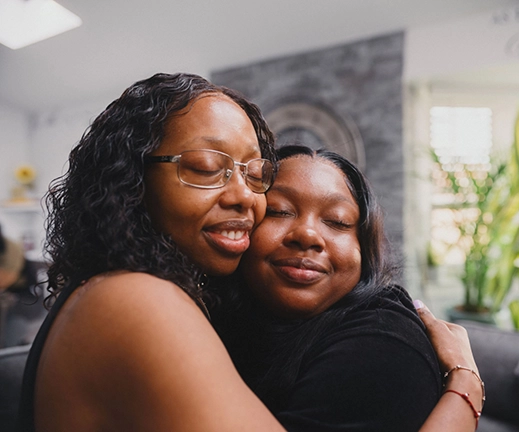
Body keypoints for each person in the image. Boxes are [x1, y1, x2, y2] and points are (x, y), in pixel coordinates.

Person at [16, 73, 482, 432]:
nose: (245, 197)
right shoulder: (135, 299)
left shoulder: (116, 293)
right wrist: (464, 388)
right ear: (131, 182)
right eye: (205, 167)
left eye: (255, 174)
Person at [213, 144, 485, 431]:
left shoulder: (384, 340)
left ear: (363, 249)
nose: (307, 235)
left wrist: (465, 389)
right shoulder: (217, 312)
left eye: (337, 221)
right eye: (278, 211)